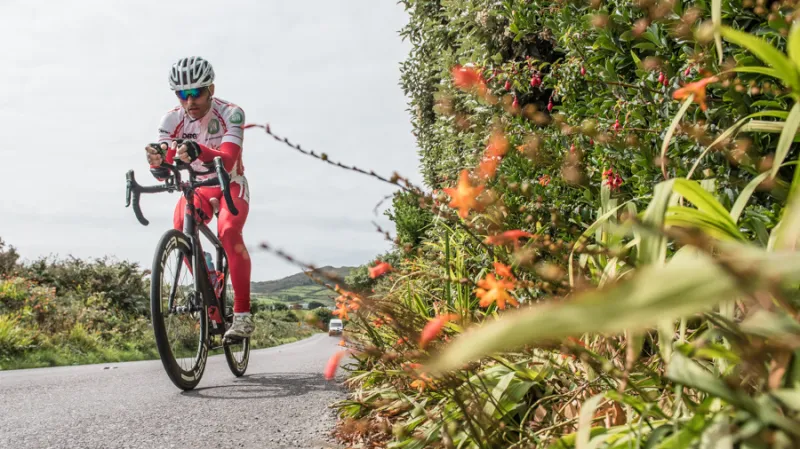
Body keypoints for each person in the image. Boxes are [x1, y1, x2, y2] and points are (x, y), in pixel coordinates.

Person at [144, 56, 254, 339]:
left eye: (196, 92)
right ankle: (211, 296)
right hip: (199, 187)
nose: (190, 101)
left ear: (211, 89)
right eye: (182, 94)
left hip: (229, 183)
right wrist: (158, 164)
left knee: (229, 232)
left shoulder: (232, 113)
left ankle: (242, 315)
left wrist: (198, 151)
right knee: (181, 226)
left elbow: (228, 160)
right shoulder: (171, 120)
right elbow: (165, 166)